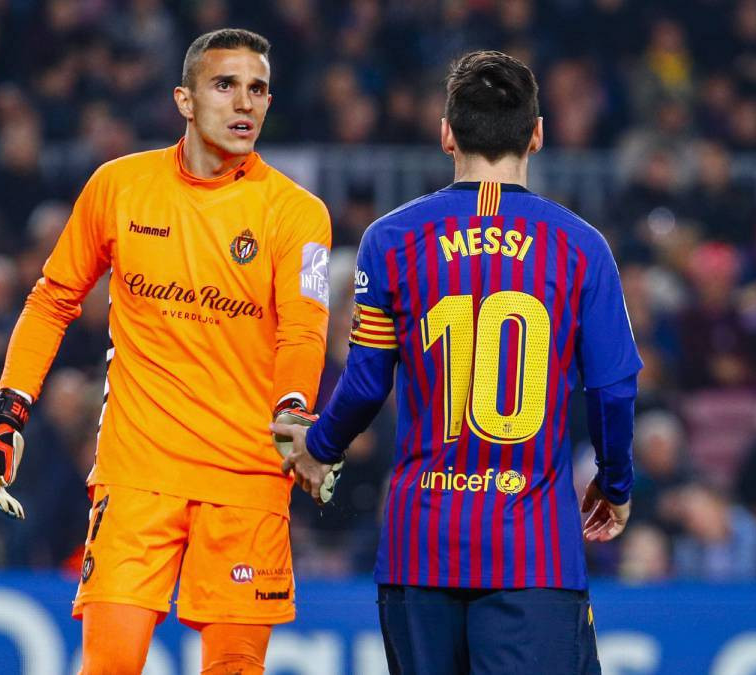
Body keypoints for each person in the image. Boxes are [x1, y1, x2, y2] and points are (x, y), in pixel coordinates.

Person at [0, 29, 331, 675]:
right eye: (225, 85)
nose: (243, 102)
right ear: (185, 100)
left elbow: (303, 332)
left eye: (257, 89)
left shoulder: (297, 212)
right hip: (138, 471)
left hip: (247, 478)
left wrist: (295, 413)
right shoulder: (120, 186)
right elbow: (52, 298)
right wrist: (9, 412)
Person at [273, 50, 642, 674]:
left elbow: (365, 383)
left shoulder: (390, 239)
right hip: (535, 553)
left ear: (447, 133)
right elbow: (612, 390)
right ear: (537, 134)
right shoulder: (581, 246)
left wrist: (321, 446)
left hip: (421, 544)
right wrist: (616, 483)